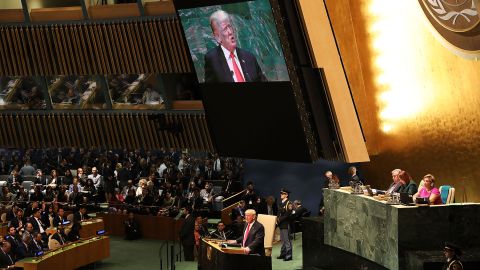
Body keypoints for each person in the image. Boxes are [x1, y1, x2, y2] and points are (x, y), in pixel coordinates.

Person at [204, 10, 267, 83]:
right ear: (218, 37)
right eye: (225, 29)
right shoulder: (212, 60)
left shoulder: (249, 57)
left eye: (230, 26)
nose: (230, 32)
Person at [277, 188, 292, 261]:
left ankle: (289, 256)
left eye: (282, 193)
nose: (281, 195)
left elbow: (287, 215)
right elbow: (279, 213)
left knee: (287, 240)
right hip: (281, 224)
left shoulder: (289, 203)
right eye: (281, 193)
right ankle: (283, 254)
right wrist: (277, 219)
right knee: (283, 240)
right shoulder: (280, 203)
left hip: (286, 224)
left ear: (286, 195)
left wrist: (279, 219)